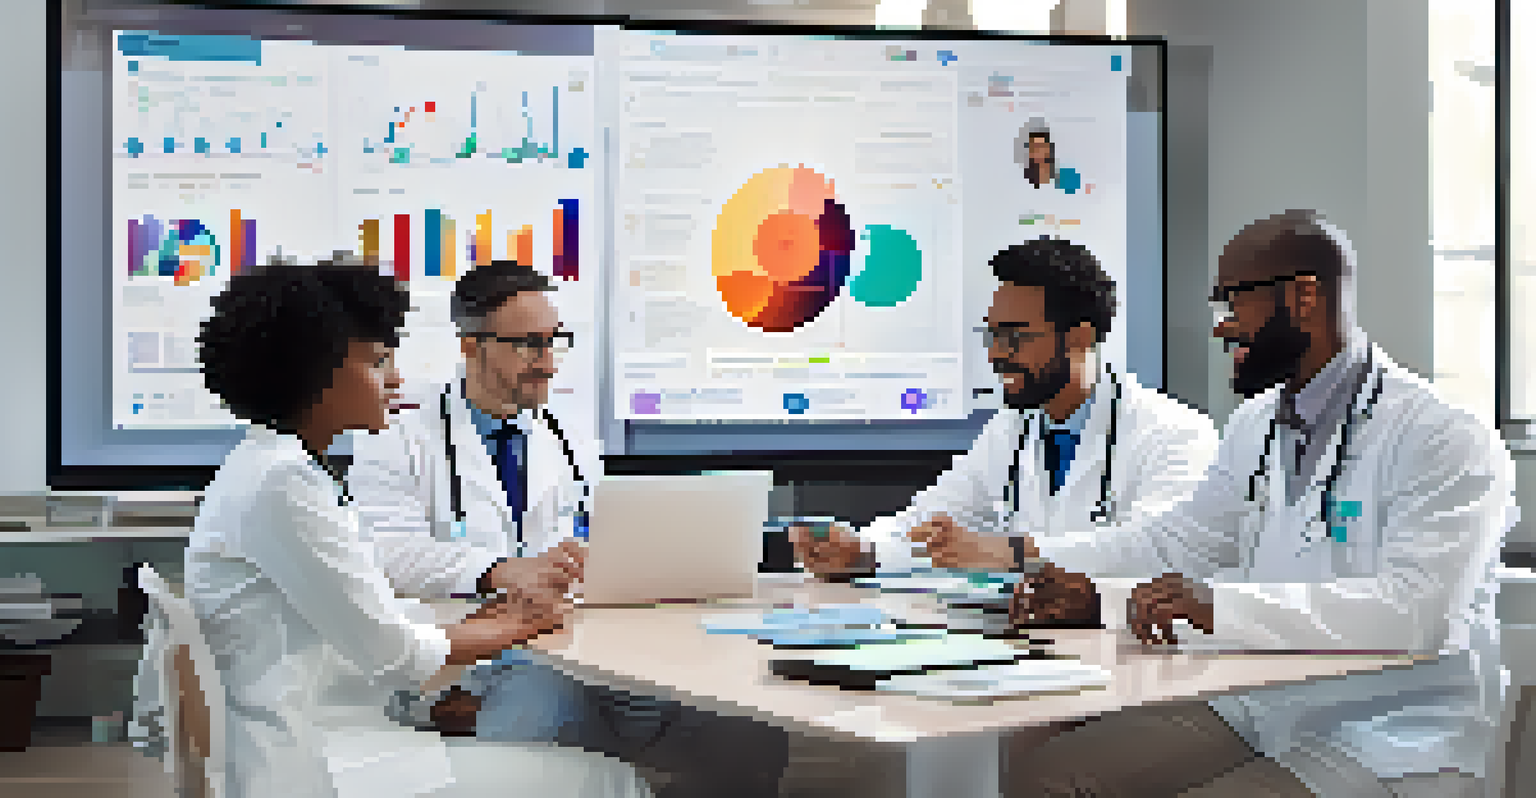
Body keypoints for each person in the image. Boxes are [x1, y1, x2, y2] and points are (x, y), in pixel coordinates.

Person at [1003, 210, 1517, 797]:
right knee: (1051, 772)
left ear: (1303, 297)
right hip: (1261, 707)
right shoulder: (1256, 425)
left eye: (1232, 304)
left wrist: (1216, 607)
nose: (1221, 328)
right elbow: (1181, 541)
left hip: (1392, 733)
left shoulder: (1444, 436)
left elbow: (1420, 613)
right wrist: (1095, 594)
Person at [184, 255, 652, 798]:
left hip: (317, 733)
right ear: (318, 373)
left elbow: (367, 609)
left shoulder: (273, 467)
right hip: (315, 761)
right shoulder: (283, 483)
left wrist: (496, 615)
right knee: (612, 781)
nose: (396, 378)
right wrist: (521, 624)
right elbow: (393, 652)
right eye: (379, 362)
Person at [347, 259, 791, 798]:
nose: (548, 362)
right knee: (546, 717)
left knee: (743, 726)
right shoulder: (397, 436)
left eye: (555, 341)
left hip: (591, 648)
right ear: (470, 344)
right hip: (483, 660)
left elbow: (602, 537)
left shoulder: (570, 435)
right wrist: (500, 570)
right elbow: (385, 552)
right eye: (528, 344)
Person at [791, 237, 1219, 628]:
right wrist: (864, 551)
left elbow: (1163, 552)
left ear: (1080, 338)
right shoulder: (1013, 428)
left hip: (1145, 664)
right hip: (1043, 648)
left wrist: (1015, 553)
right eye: (992, 336)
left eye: (1015, 338)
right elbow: (937, 519)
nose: (997, 355)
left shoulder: (1174, 433)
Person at [1016, 123, 1091, 195]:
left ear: (1048, 149)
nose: (1037, 151)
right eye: (1033, 147)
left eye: (1040, 146)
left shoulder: (1069, 177)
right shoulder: (1023, 182)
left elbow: (1085, 193)